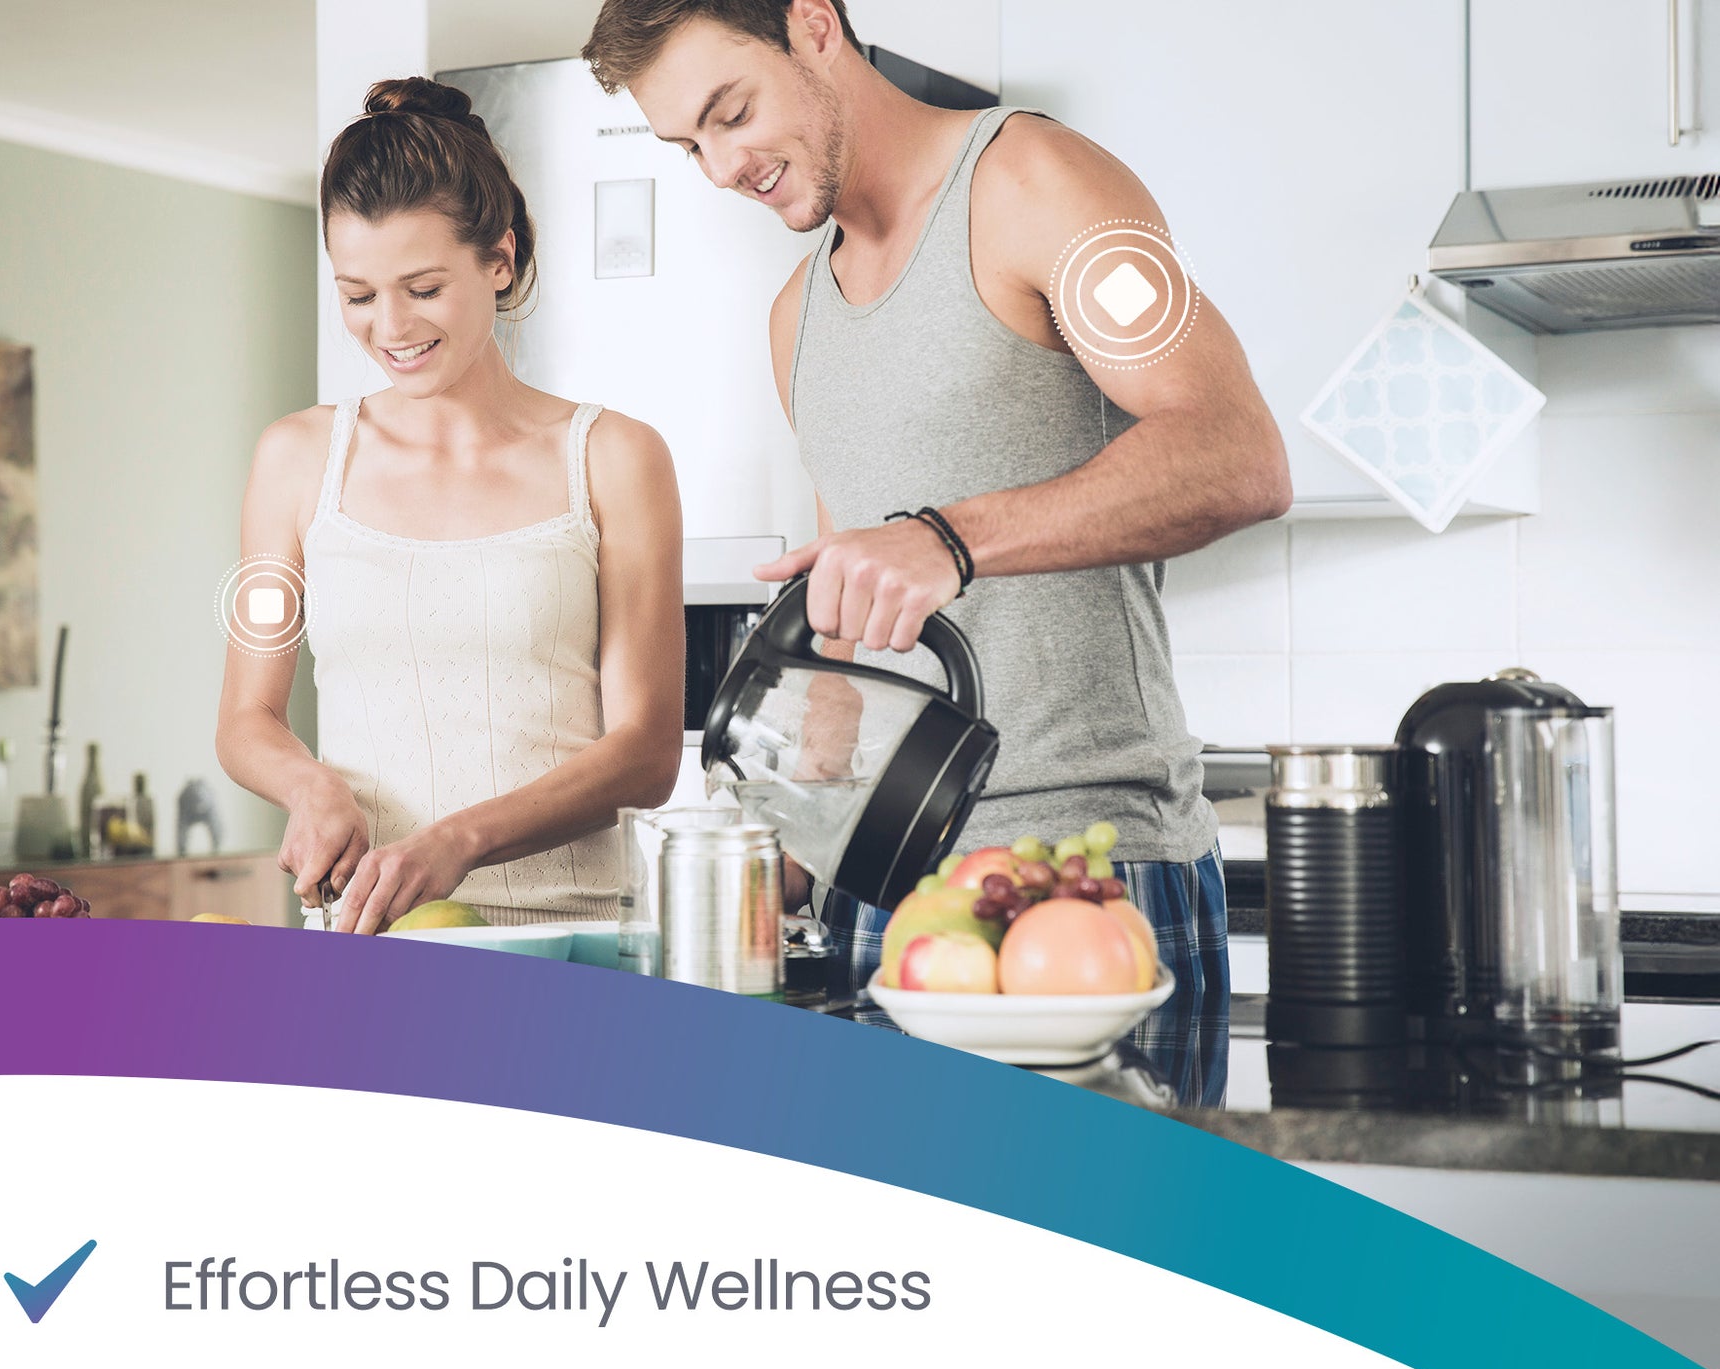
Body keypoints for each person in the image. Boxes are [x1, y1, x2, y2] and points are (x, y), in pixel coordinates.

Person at [584, 0, 1290, 1095]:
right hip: (885, 904)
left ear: (812, 25)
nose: (720, 167)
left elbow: (1237, 453)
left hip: (1081, 873)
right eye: (689, 146)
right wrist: (782, 828)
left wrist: (947, 538)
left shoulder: (1032, 184)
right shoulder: (796, 318)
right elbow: (852, 636)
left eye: (730, 112)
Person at [217, 77, 685, 935]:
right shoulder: (295, 460)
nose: (389, 326)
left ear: (499, 261)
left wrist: (456, 842)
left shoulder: (614, 459)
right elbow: (248, 719)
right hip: (369, 941)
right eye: (358, 295)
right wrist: (309, 785)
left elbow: (647, 752)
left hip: (569, 937)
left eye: (423, 289)